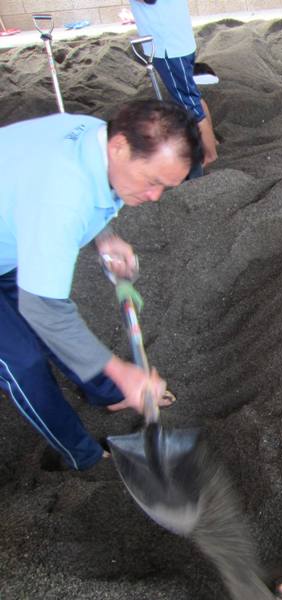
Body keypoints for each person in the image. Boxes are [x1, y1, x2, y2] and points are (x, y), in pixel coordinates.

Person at [0, 99, 203, 471]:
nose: (154, 196)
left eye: (166, 187)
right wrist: (122, 370)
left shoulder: (97, 135)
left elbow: (74, 200)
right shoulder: (61, 194)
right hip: (21, 231)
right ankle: (84, 455)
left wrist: (105, 236)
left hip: (11, 236)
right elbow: (43, 308)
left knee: (53, 325)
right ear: (120, 147)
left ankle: (108, 393)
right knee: (23, 361)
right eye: (152, 181)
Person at [129, 0, 218, 173]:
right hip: (179, 40)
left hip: (167, 46)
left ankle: (210, 155)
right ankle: (211, 141)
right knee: (192, 97)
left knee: (188, 104)